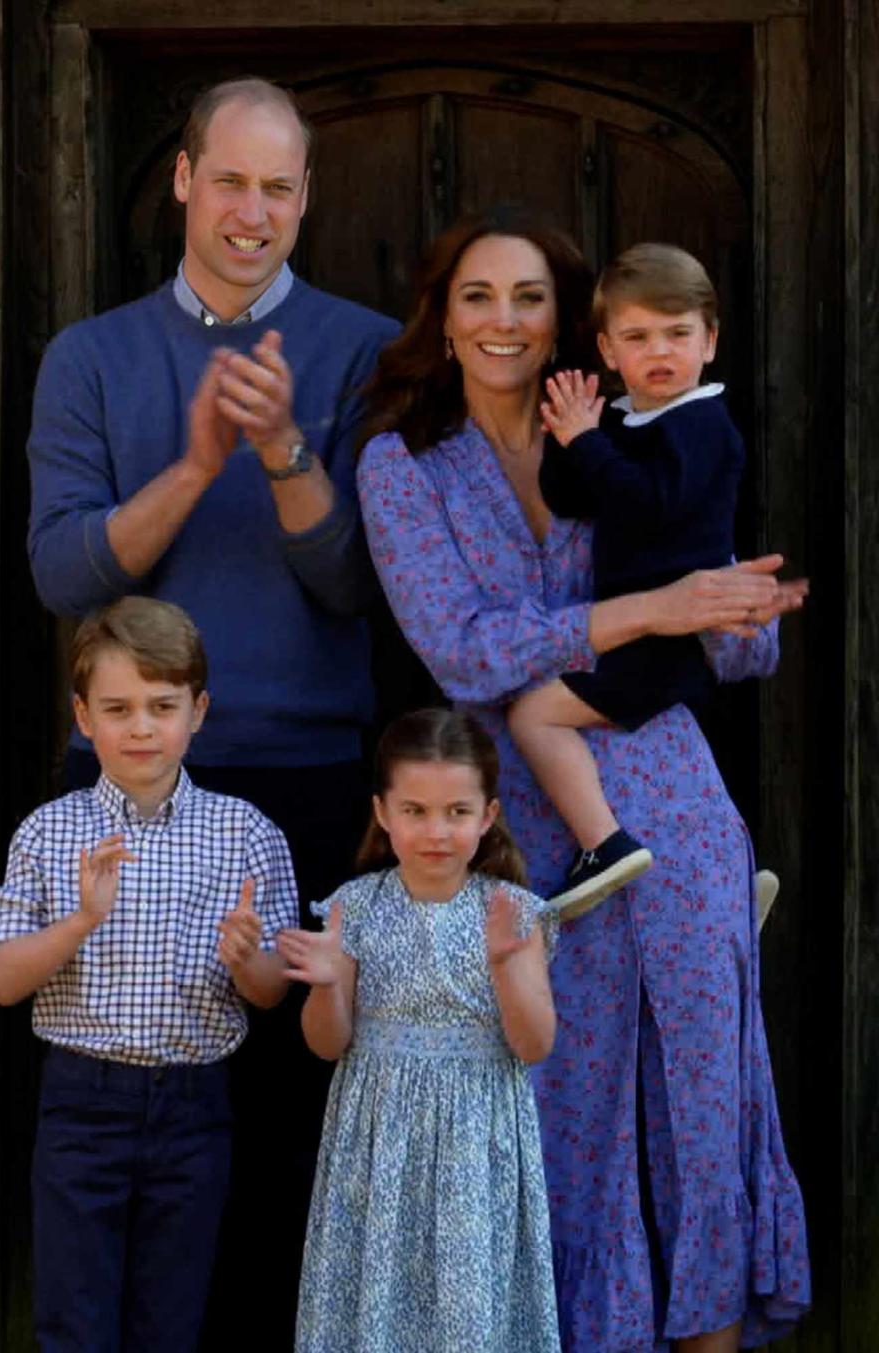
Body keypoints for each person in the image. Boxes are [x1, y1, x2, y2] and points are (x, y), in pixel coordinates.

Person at [356, 205, 811, 1352]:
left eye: (528, 298)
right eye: (478, 297)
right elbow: (461, 648)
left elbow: (726, 630)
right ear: (442, 320)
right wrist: (653, 609)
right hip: (520, 814)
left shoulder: (629, 422)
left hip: (671, 782)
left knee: (707, 1090)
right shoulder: (401, 462)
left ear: (571, 324)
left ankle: (713, 1332)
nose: (504, 321)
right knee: (563, 1104)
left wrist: (738, 610)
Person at [25, 77, 400, 1342]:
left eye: (278, 187)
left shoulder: (365, 350)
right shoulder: (92, 356)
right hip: (129, 782)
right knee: (123, 1126)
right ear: (182, 179)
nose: (252, 211)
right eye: (228, 180)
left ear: (307, 199)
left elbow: (358, 587)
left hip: (304, 778)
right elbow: (65, 573)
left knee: (290, 1124)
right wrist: (194, 465)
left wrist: (287, 450)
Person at [0, 597, 299, 1352]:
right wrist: (81, 920)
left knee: (171, 1319)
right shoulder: (50, 831)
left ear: (199, 710)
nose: (143, 728)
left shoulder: (246, 832)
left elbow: (272, 990)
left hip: (194, 1105)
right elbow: (0, 980)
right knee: (73, 1319)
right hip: (82, 1103)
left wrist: (246, 956)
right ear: (84, 716)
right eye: (118, 708)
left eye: (163, 706)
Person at [277, 708, 561, 1353]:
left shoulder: (514, 912)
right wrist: (326, 983)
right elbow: (327, 1043)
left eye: (457, 812)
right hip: (378, 1140)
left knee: (468, 1310)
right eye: (415, 811)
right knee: (377, 1302)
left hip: (475, 1139)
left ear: (487, 816)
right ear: (382, 812)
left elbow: (534, 1045)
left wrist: (507, 967)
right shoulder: (356, 906)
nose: (437, 831)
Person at [507, 243, 746, 918]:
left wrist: (589, 441)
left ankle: (603, 844)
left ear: (711, 340)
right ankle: (713, 883)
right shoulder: (628, 419)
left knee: (534, 713)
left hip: (666, 640)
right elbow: (572, 496)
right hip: (635, 629)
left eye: (678, 333)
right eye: (638, 337)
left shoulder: (703, 425)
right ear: (609, 351)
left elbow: (648, 504)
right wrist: (568, 434)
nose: (660, 351)